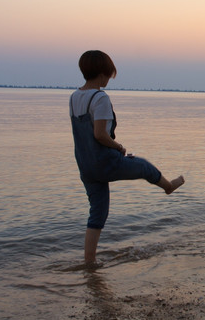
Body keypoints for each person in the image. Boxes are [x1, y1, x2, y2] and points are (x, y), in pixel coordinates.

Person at [70, 50, 185, 266]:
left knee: (98, 212)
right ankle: (168, 186)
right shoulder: (100, 97)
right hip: (104, 162)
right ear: (103, 72)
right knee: (142, 166)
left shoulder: (74, 96)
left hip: (85, 165)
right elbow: (100, 134)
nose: (109, 79)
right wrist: (119, 146)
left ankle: (89, 262)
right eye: (109, 74)